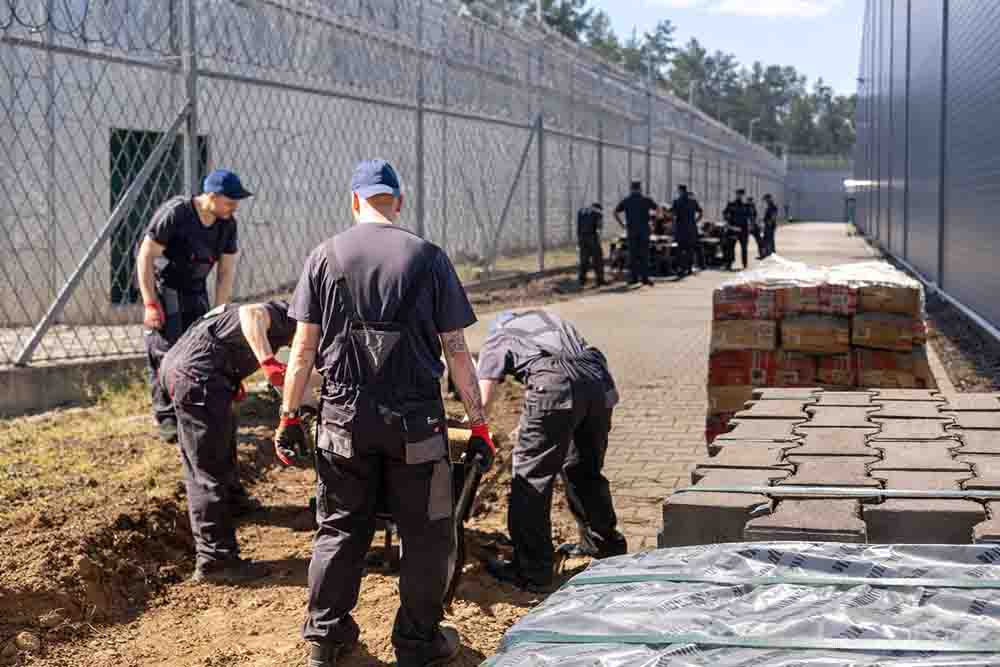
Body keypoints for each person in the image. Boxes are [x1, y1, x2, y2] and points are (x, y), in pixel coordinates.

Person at [275, 160, 494, 667]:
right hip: (416, 427)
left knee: (339, 527)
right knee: (427, 532)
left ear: (354, 201)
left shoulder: (323, 257)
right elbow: (458, 351)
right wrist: (478, 424)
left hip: (342, 423)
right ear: (398, 203)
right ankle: (417, 644)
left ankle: (328, 642)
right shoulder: (430, 258)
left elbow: (303, 351)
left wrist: (288, 415)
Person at [478, 310, 627, 592]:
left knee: (531, 477)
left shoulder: (497, 337)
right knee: (584, 469)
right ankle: (605, 547)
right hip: (597, 378)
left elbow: (482, 402)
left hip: (554, 382)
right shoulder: (547, 320)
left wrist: (474, 431)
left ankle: (532, 571)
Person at [159, 299, 295, 583]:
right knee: (206, 469)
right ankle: (216, 560)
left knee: (220, 443)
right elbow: (251, 314)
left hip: (191, 368)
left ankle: (233, 504)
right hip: (197, 376)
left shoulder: (263, 314)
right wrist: (268, 363)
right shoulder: (283, 313)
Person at [137, 169, 252, 443]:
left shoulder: (228, 224)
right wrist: (150, 303)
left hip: (195, 288)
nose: (234, 207)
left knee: (199, 348)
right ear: (211, 196)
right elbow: (145, 255)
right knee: (166, 352)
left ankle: (193, 410)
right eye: (229, 201)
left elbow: (225, 272)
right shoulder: (177, 213)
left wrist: (219, 314)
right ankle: (166, 418)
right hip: (166, 286)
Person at [613, 180, 658, 287]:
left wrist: (622, 225)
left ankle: (633, 279)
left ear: (631, 189)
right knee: (644, 254)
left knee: (633, 255)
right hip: (644, 230)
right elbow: (658, 210)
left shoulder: (627, 200)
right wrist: (653, 224)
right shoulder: (646, 199)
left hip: (631, 230)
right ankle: (645, 279)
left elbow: (615, 212)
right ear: (640, 188)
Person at [670, 185, 703, 278]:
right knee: (690, 249)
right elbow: (700, 212)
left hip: (681, 229)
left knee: (680, 249)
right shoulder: (693, 201)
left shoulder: (677, 202)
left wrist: (674, 222)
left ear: (680, 191)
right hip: (691, 228)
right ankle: (689, 268)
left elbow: (672, 213)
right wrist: (696, 221)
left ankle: (681, 268)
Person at [576, 202, 606, 287]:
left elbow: (578, 227)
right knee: (598, 259)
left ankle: (582, 280)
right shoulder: (598, 212)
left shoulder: (581, 211)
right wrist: (598, 239)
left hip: (582, 237)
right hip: (592, 237)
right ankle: (600, 280)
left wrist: (579, 240)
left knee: (584, 259)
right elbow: (599, 227)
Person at [722, 188, 752, 271]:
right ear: (736, 195)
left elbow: (751, 217)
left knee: (744, 248)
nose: (740, 196)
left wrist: (750, 226)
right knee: (730, 247)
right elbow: (724, 213)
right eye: (738, 194)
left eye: (741, 194)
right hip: (733, 229)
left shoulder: (747, 206)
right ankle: (729, 264)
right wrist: (728, 223)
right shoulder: (731, 204)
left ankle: (745, 264)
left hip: (743, 230)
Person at [762, 193, 779, 258]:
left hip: (770, 225)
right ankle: (769, 251)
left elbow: (774, 216)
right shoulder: (769, 205)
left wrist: (770, 222)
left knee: (769, 238)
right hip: (768, 224)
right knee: (767, 238)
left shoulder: (772, 206)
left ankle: (771, 251)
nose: (765, 201)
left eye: (766, 199)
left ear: (769, 198)